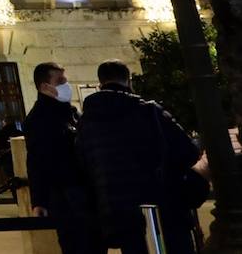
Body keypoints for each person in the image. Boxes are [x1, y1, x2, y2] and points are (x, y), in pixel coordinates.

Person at [77, 60, 202, 254]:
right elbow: (188, 151)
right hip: (162, 205)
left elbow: (84, 166)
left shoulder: (86, 123)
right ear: (128, 80)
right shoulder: (147, 110)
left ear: (100, 83)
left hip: (118, 214)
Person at [23, 62, 100, 254]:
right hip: (66, 196)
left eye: (65, 79)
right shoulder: (37, 119)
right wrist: (39, 201)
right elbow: (36, 161)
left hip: (87, 191)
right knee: (77, 244)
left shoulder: (71, 112)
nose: (66, 84)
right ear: (44, 87)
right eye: (60, 81)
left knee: (96, 243)